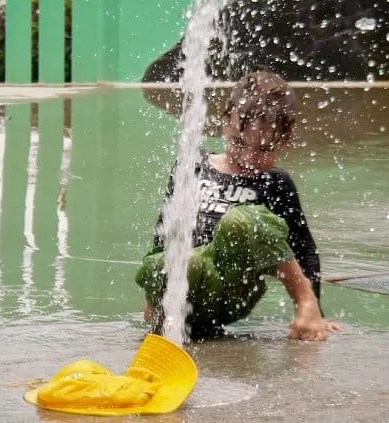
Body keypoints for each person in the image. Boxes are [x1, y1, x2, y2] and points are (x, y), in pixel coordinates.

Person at [135, 71, 340, 342]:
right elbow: (165, 229)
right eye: (239, 143)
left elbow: (304, 250)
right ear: (224, 124)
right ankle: (174, 311)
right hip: (182, 284)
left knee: (241, 220)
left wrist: (314, 310)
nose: (248, 158)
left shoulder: (275, 182)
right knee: (176, 260)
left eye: (264, 149)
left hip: (230, 292)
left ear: (286, 140)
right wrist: (155, 292)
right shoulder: (192, 164)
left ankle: (306, 304)